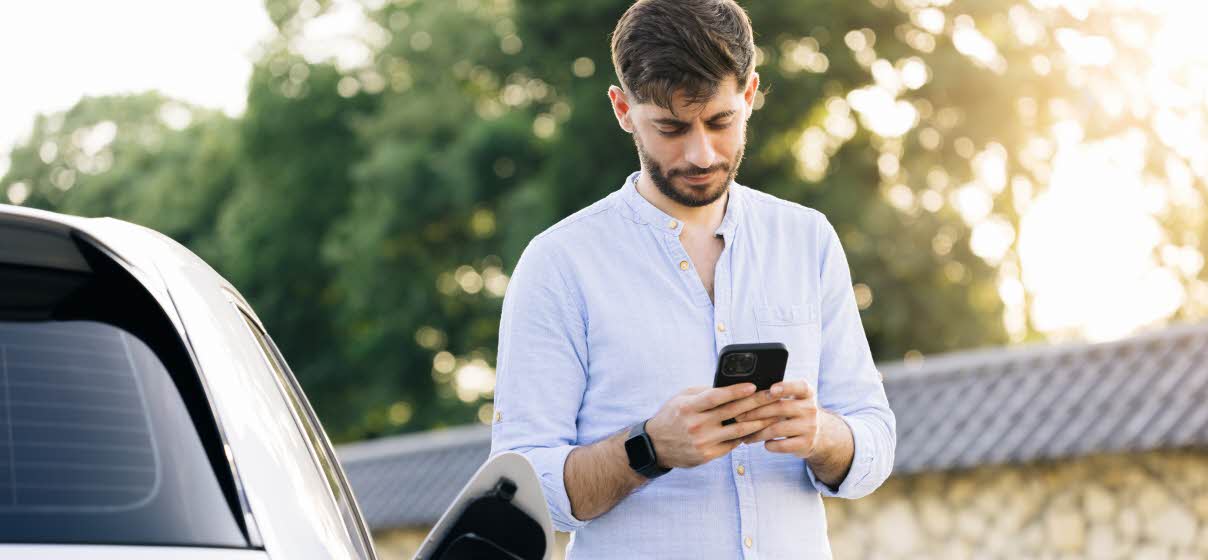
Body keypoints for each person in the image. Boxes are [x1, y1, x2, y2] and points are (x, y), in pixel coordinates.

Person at [490, 1, 896, 557]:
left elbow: (875, 439)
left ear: (750, 94)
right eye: (671, 127)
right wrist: (649, 448)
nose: (700, 152)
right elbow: (521, 491)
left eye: (720, 121)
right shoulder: (558, 265)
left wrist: (821, 434)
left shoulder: (808, 240)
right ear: (623, 108)